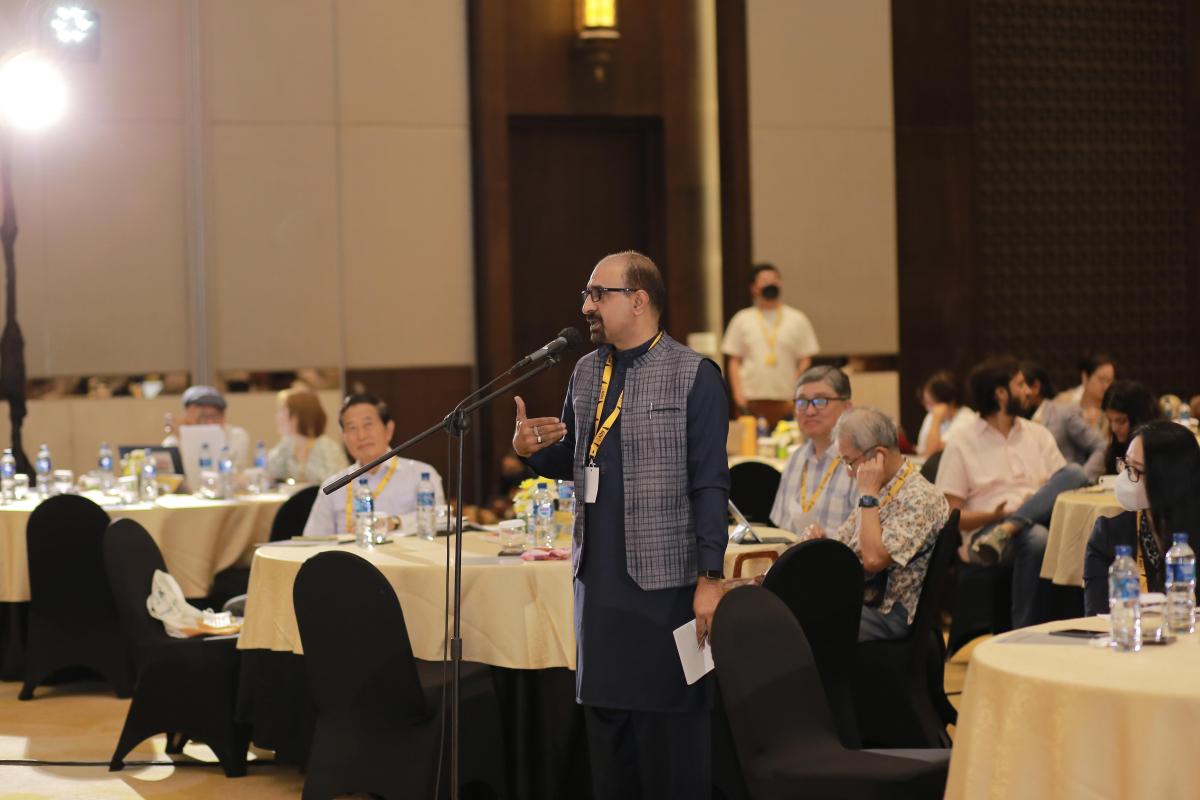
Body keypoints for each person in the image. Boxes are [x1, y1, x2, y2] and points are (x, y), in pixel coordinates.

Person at [516, 250, 729, 799]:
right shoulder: (588, 371)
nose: (586, 306)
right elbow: (577, 458)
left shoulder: (694, 374)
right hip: (599, 583)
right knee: (608, 732)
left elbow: (710, 483)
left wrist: (710, 578)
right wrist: (532, 452)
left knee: (670, 734)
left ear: (638, 300)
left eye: (597, 294)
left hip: (667, 586)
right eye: (586, 295)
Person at [935, 357, 1088, 628]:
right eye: (1020, 384)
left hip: (1042, 520)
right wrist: (994, 516)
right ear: (1000, 393)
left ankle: (1011, 526)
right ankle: (1023, 633)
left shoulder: (1038, 434)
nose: (1029, 391)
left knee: (1075, 472)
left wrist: (1026, 509)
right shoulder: (961, 443)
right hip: (985, 537)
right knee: (1037, 538)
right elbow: (950, 516)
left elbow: (1064, 486)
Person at [805, 408, 949, 641]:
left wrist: (868, 495)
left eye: (849, 462)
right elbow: (848, 544)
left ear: (878, 455)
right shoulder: (883, 486)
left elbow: (873, 560)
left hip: (887, 612)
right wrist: (822, 544)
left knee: (798, 625)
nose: (849, 473)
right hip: (857, 597)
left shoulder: (921, 497)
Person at [1083, 420, 1200, 615]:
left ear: (1169, 480)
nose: (1126, 478)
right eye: (1126, 466)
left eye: (1137, 470)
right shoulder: (1109, 535)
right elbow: (1095, 618)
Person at [302, 394, 444, 536]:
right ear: (344, 437)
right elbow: (312, 539)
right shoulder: (333, 486)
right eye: (352, 428)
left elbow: (441, 520)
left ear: (388, 430)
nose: (361, 436)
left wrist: (396, 522)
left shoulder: (421, 475)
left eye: (368, 425)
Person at [721, 262, 820, 426]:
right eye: (764, 280)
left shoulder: (797, 318)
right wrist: (738, 395)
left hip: (787, 400)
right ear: (753, 288)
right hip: (751, 400)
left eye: (774, 279)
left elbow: (805, 359)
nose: (770, 283)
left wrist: (795, 385)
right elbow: (734, 361)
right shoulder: (742, 319)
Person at [769, 366, 858, 536]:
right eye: (801, 402)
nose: (809, 411)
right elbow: (781, 531)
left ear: (847, 407)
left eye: (820, 401)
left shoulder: (859, 461)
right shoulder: (795, 459)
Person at [1022, 361, 1106, 481]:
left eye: (1022, 384)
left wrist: (1082, 479)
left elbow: (1101, 445)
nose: (1024, 391)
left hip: (1064, 486)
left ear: (1035, 387)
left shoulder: (1063, 413)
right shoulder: (1016, 423)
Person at [267, 388, 348, 484]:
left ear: (297, 416)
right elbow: (270, 473)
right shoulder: (287, 444)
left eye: (283, 410)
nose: (277, 416)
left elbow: (336, 482)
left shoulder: (326, 447)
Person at [162, 385, 251, 469]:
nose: (209, 422)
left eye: (214, 416)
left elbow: (225, 472)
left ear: (223, 417)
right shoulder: (172, 442)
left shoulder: (236, 436)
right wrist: (185, 436)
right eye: (202, 417)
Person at [1100, 380, 1161, 475]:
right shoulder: (1117, 448)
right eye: (1110, 420)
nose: (1114, 428)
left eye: (1121, 421)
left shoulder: (1159, 449)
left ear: (1139, 418)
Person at [915, 371, 975, 456]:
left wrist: (936, 421)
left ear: (950, 401)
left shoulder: (967, 419)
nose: (927, 408)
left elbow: (932, 452)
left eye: (931, 403)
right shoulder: (930, 416)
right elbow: (921, 451)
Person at [1054, 351, 1115, 428]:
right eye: (1101, 379)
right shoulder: (1063, 401)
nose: (1106, 386)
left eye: (1109, 381)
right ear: (1085, 377)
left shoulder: (1113, 409)